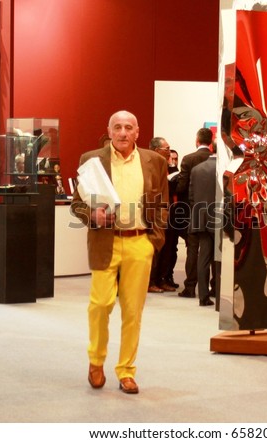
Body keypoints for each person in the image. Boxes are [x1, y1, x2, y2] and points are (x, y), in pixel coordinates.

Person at [71, 110, 168, 394]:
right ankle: (96, 360)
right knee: (100, 305)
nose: (123, 133)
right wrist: (93, 215)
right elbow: (77, 204)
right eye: (117, 127)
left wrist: (155, 240)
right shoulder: (91, 160)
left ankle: (126, 370)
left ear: (137, 132)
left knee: (133, 310)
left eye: (128, 127)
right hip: (105, 241)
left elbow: (162, 203)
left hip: (140, 242)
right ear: (109, 131)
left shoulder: (155, 161)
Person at [175, 127, 213, 298]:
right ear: (210, 142)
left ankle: (190, 287)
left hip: (193, 211)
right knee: (212, 251)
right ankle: (213, 287)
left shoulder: (189, 159)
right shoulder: (218, 162)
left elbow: (182, 187)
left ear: (197, 141)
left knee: (193, 250)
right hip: (214, 212)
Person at [189, 145, 219, 306]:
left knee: (203, 258)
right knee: (220, 259)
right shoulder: (224, 168)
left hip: (199, 215)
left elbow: (191, 196)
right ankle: (220, 295)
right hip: (219, 216)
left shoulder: (197, 169)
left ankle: (203, 296)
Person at [147, 137, 177, 293]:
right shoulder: (149, 166)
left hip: (171, 212)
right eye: (166, 149)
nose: (169, 152)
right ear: (155, 150)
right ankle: (150, 281)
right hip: (155, 213)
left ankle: (161, 279)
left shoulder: (169, 167)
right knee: (155, 249)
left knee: (168, 249)